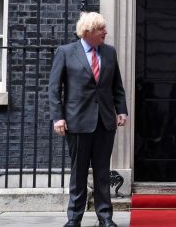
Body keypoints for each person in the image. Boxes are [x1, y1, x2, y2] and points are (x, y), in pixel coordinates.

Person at [49, 12, 128, 227]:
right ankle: (74, 218)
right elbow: (54, 89)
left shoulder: (109, 53)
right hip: (77, 122)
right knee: (79, 172)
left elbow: (117, 87)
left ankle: (105, 218)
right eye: (101, 29)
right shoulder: (65, 52)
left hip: (105, 122)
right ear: (87, 33)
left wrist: (121, 110)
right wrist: (58, 118)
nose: (106, 32)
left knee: (103, 172)